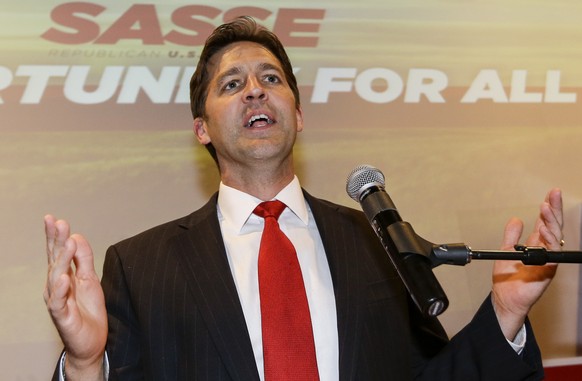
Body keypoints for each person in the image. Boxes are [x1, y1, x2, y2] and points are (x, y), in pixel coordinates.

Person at [44, 16, 564, 381]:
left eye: (271, 79)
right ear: (201, 129)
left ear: (298, 115)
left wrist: (502, 314)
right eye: (231, 85)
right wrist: (86, 365)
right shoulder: (140, 266)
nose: (255, 90)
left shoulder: (375, 243)